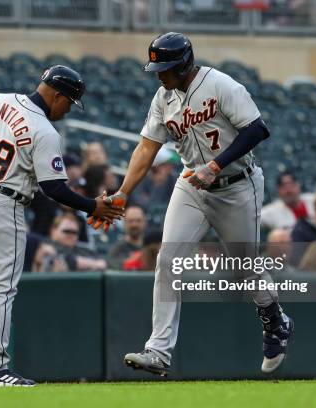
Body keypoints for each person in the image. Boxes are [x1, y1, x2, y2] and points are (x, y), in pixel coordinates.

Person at [88, 33, 293, 375]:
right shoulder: (162, 98)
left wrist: (215, 166)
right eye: (156, 68)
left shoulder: (220, 84)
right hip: (192, 185)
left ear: (184, 64)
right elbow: (146, 148)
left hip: (236, 186)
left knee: (245, 268)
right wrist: (123, 192)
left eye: (165, 68)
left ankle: (275, 319)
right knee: (168, 260)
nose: (159, 74)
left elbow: (257, 129)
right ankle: (158, 350)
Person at [0, 65, 123, 387]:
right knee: (1, 287)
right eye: (68, 102)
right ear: (54, 93)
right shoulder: (44, 130)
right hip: (1, 203)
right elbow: (54, 188)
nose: (67, 109)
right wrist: (92, 205)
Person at [108, 206, 147, 270]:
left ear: (144, 222)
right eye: (131, 221)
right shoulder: (116, 249)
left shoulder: (151, 247)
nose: (134, 224)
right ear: (124, 223)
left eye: (138, 220)